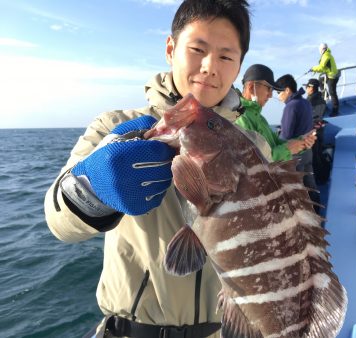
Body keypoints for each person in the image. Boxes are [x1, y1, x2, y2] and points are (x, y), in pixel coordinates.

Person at [44, 1, 255, 337]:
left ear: (239, 64)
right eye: (197, 49)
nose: (209, 67)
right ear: (171, 49)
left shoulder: (252, 145)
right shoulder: (116, 126)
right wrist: (92, 188)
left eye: (226, 56)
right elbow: (59, 222)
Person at [235, 64, 316, 162]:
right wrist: (288, 149)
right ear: (251, 87)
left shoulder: (260, 118)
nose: (270, 95)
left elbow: (277, 144)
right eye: (268, 88)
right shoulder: (240, 117)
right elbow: (254, 161)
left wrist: (301, 142)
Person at [275, 74, 320, 211]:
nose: (277, 96)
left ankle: (305, 218)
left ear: (287, 90)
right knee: (310, 185)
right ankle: (317, 210)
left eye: (278, 92)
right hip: (308, 151)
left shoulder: (291, 106)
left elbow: (286, 135)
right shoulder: (305, 102)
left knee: (298, 189)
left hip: (296, 156)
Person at [305, 78, 331, 186]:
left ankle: (320, 178)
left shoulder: (318, 101)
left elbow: (317, 119)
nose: (306, 89)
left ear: (311, 88)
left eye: (307, 87)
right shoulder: (311, 99)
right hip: (312, 133)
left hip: (315, 134)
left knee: (315, 157)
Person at [310, 43, 340, 117]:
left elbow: (322, 66)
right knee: (321, 81)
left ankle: (335, 110)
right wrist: (315, 70)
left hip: (332, 77)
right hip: (330, 75)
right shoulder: (327, 54)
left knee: (332, 92)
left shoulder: (326, 55)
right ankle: (324, 97)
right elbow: (325, 68)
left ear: (322, 49)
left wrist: (313, 68)